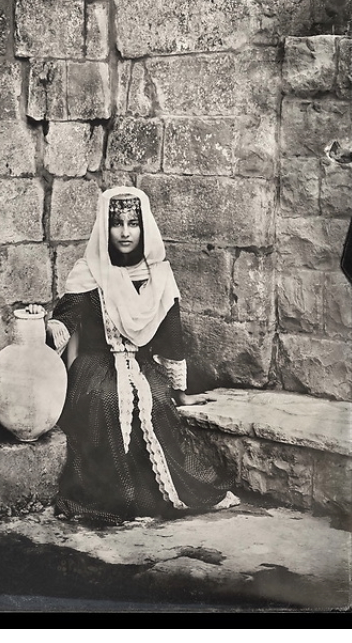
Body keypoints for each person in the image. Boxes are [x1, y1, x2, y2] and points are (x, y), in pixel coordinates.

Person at [48, 186, 234, 523]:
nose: (124, 232)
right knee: (105, 400)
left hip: (142, 365)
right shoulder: (90, 270)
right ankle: (118, 497)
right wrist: (54, 325)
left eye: (132, 223)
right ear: (105, 228)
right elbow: (68, 315)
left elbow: (172, 337)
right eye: (116, 224)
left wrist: (180, 392)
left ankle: (153, 494)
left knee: (158, 401)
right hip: (96, 364)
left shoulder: (159, 276)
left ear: (144, 227)